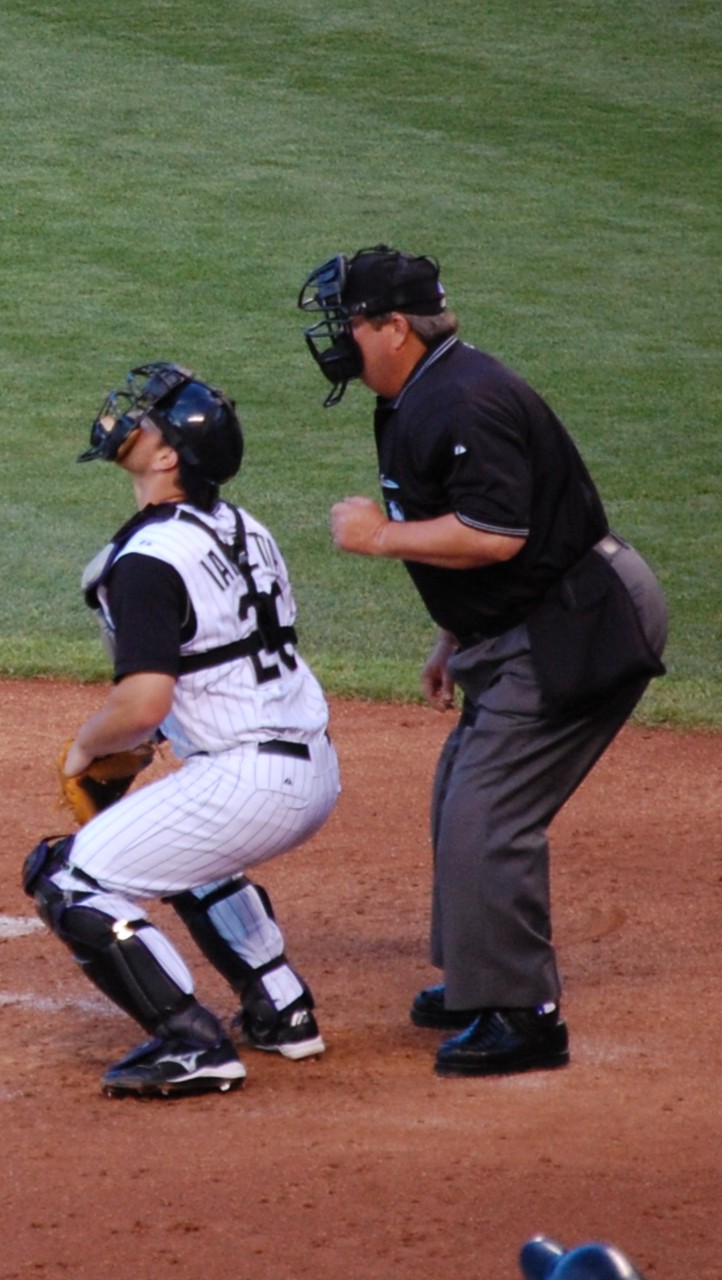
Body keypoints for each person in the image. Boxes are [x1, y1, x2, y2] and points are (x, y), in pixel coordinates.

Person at [297, 246, 668, 1076]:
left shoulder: (465, 400)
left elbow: (496, 534)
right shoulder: (416, 394)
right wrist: (454, 635)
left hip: (578, 621)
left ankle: (525, 1017)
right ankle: (479, 980)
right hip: (521, 620)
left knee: (489, 811)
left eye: (350, 321)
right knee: (458, 788)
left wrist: (379, 537)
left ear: (395, 328)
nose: (339, 337)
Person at [23, 363, 343, 1098]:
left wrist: (87, 745)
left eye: (149, 416)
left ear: (168, 456)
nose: (129, 417)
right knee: (188, 850)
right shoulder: (244, 528)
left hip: (249, 780)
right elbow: (213, 665)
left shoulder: (147, 560)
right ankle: (281, 1007)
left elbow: (143, 703)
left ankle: (191, 1043)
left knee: (67, 877)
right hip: (310, 765)